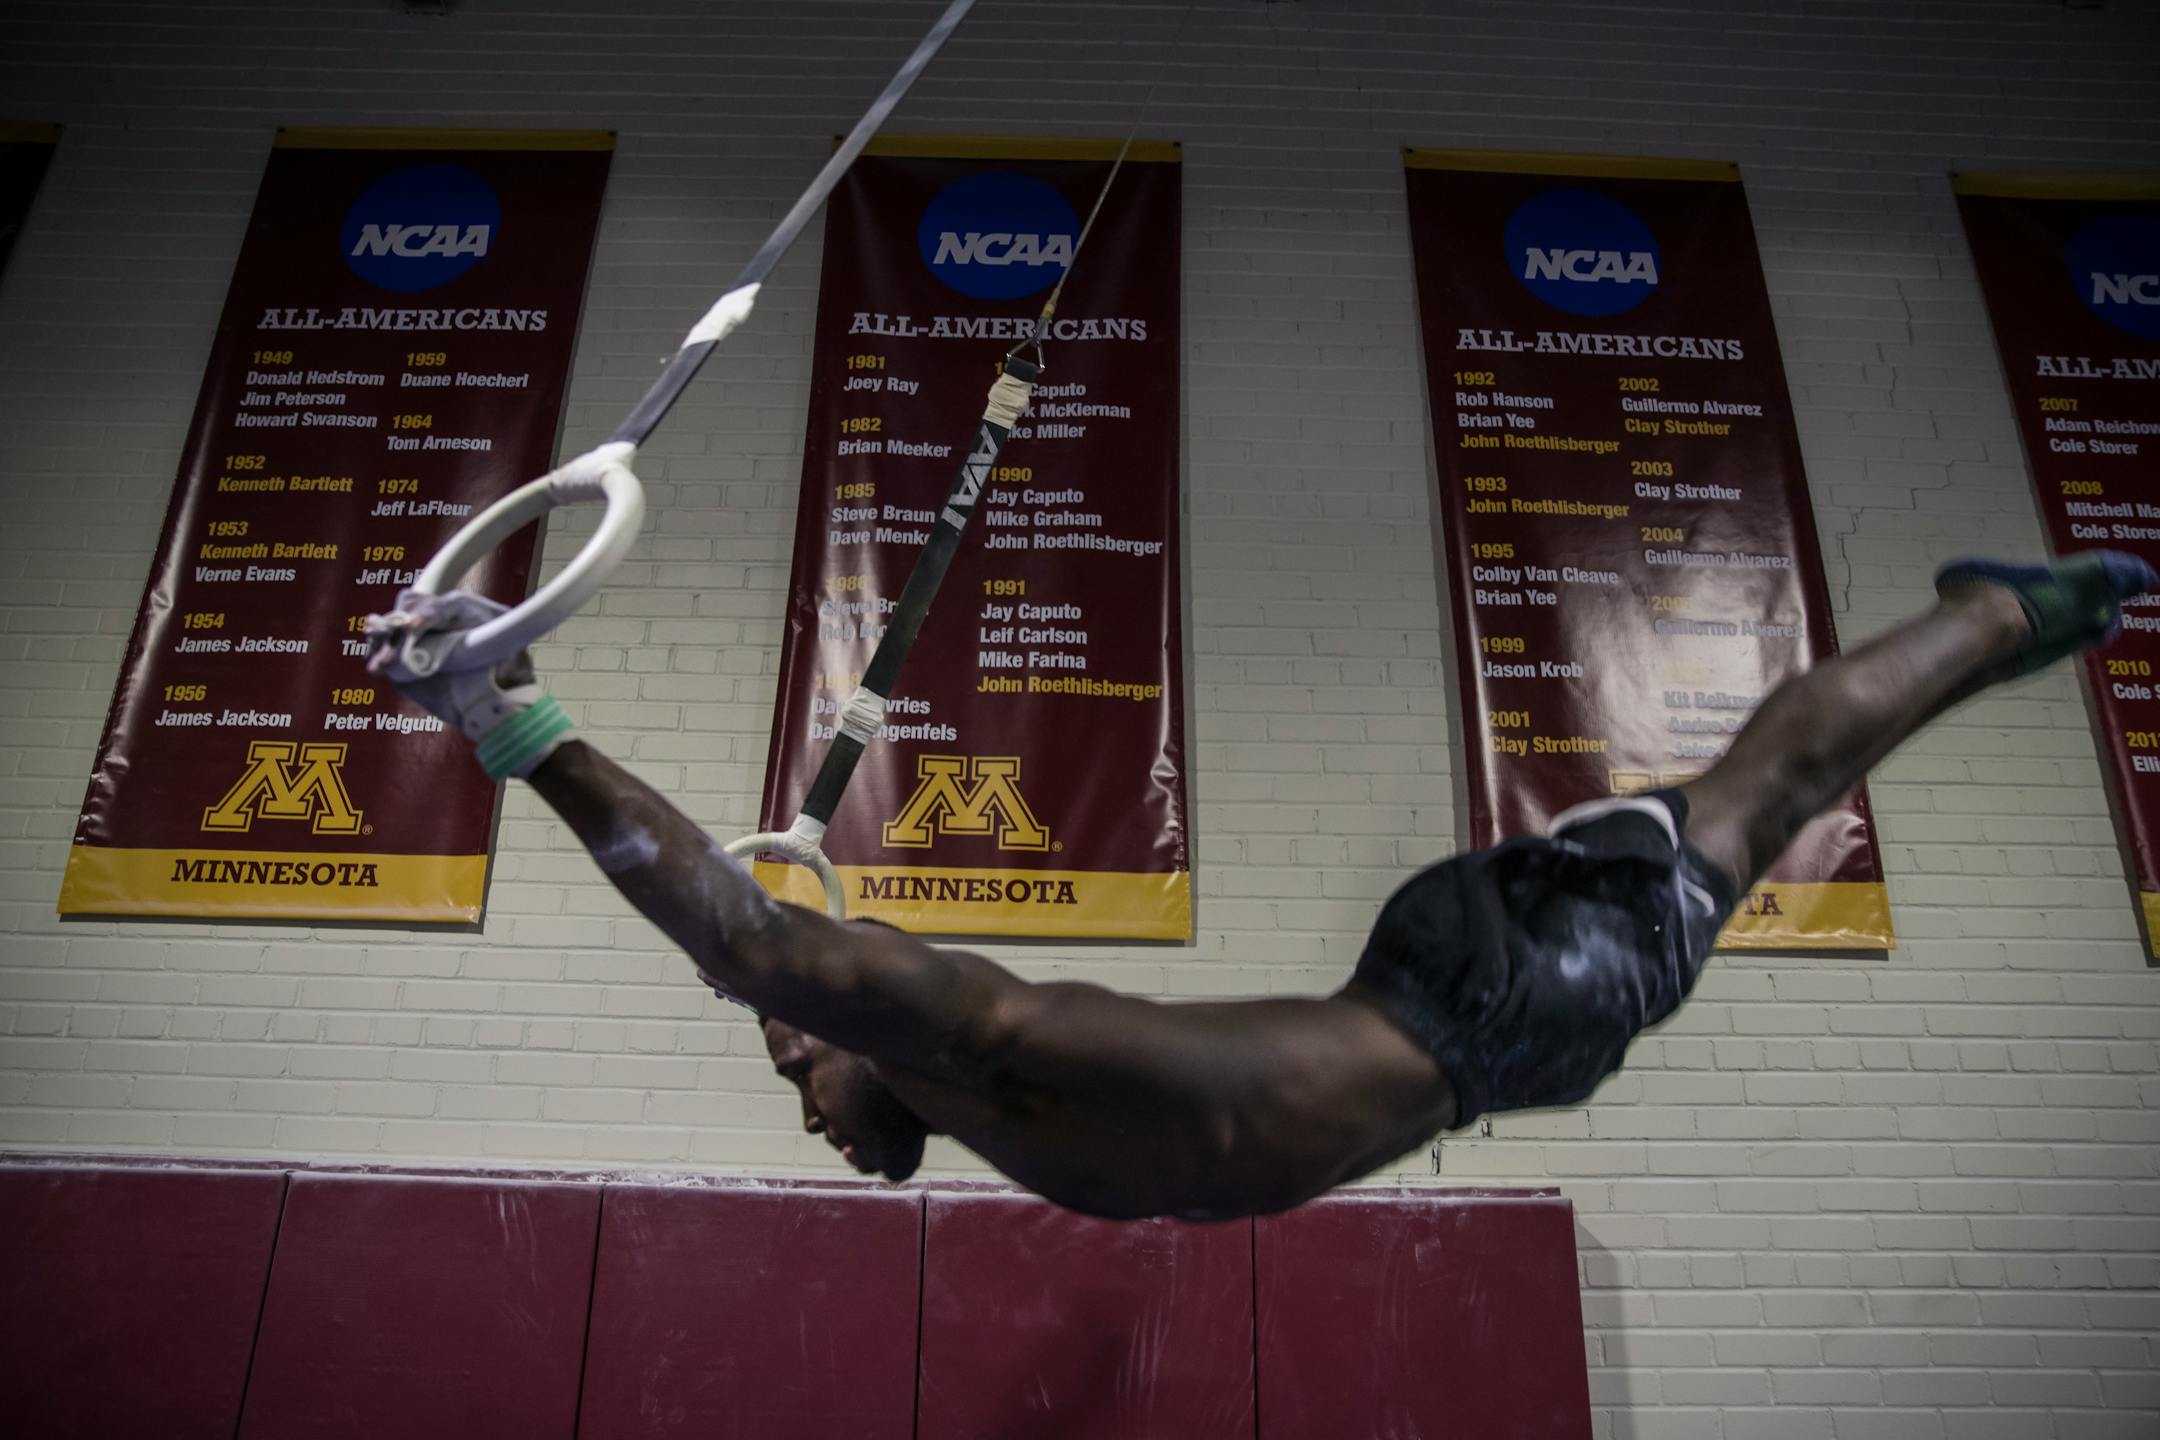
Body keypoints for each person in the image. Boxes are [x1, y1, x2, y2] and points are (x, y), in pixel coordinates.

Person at [368, 552, 2153, 1220]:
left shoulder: (974, 1033)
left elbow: (754, 937)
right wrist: (769, 974)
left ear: (849, 1019)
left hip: (1489, 1015)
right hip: (1445, 1002)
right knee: (1753, 800)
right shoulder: (970, 1085)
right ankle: (2006, 617)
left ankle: (2013, 614)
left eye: (797, 1068)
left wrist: (509, 722)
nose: (803, 1109)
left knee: (1770, 798)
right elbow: (765, 957)